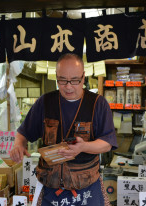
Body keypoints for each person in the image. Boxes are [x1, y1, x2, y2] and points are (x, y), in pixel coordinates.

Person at [10, 53, 117, 205]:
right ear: (56, 76)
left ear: (83, 77)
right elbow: (23, 132)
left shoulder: (97, 104)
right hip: (50, 187)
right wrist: (18, 145)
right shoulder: (45, 102)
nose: (68, 86)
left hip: (86, 187)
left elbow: (107, 142)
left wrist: (83, 147)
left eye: (74, 80)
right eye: (62, 80)